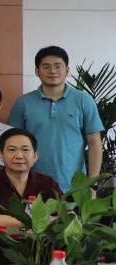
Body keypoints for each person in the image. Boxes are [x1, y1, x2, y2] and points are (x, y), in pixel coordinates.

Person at [8, 45, 103, 191]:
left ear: (67, 70)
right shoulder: (23, 103)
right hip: (32, 185)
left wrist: (92, 185)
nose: (52, 71)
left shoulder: (84, 100)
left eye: (58, 66)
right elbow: (12, 144)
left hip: (75, 187)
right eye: (46, 67)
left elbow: (94, 143)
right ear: (37, 71)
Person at [0, 128, 61, 228]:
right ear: (1, 156)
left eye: (25, 150)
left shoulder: (48, 183)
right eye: (12, 150)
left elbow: (67, 214)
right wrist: (36, 221)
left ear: (35, 156)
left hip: (39, 238)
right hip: (1, 237)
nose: (19, 156)